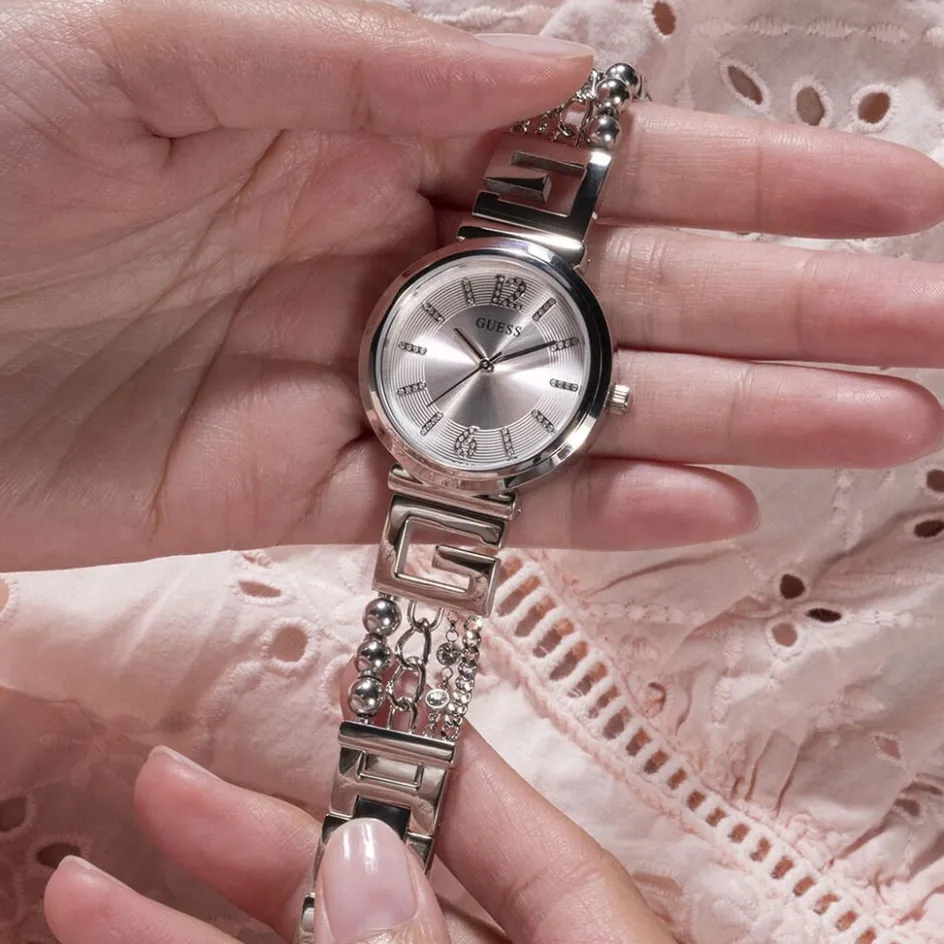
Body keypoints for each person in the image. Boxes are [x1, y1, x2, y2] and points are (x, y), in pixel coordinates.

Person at [0, 0, 941, 939]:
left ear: (594, 395)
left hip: (457, 488)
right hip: (426, 458)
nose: (489, 363)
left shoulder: (517, 363)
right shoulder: (424, 326)